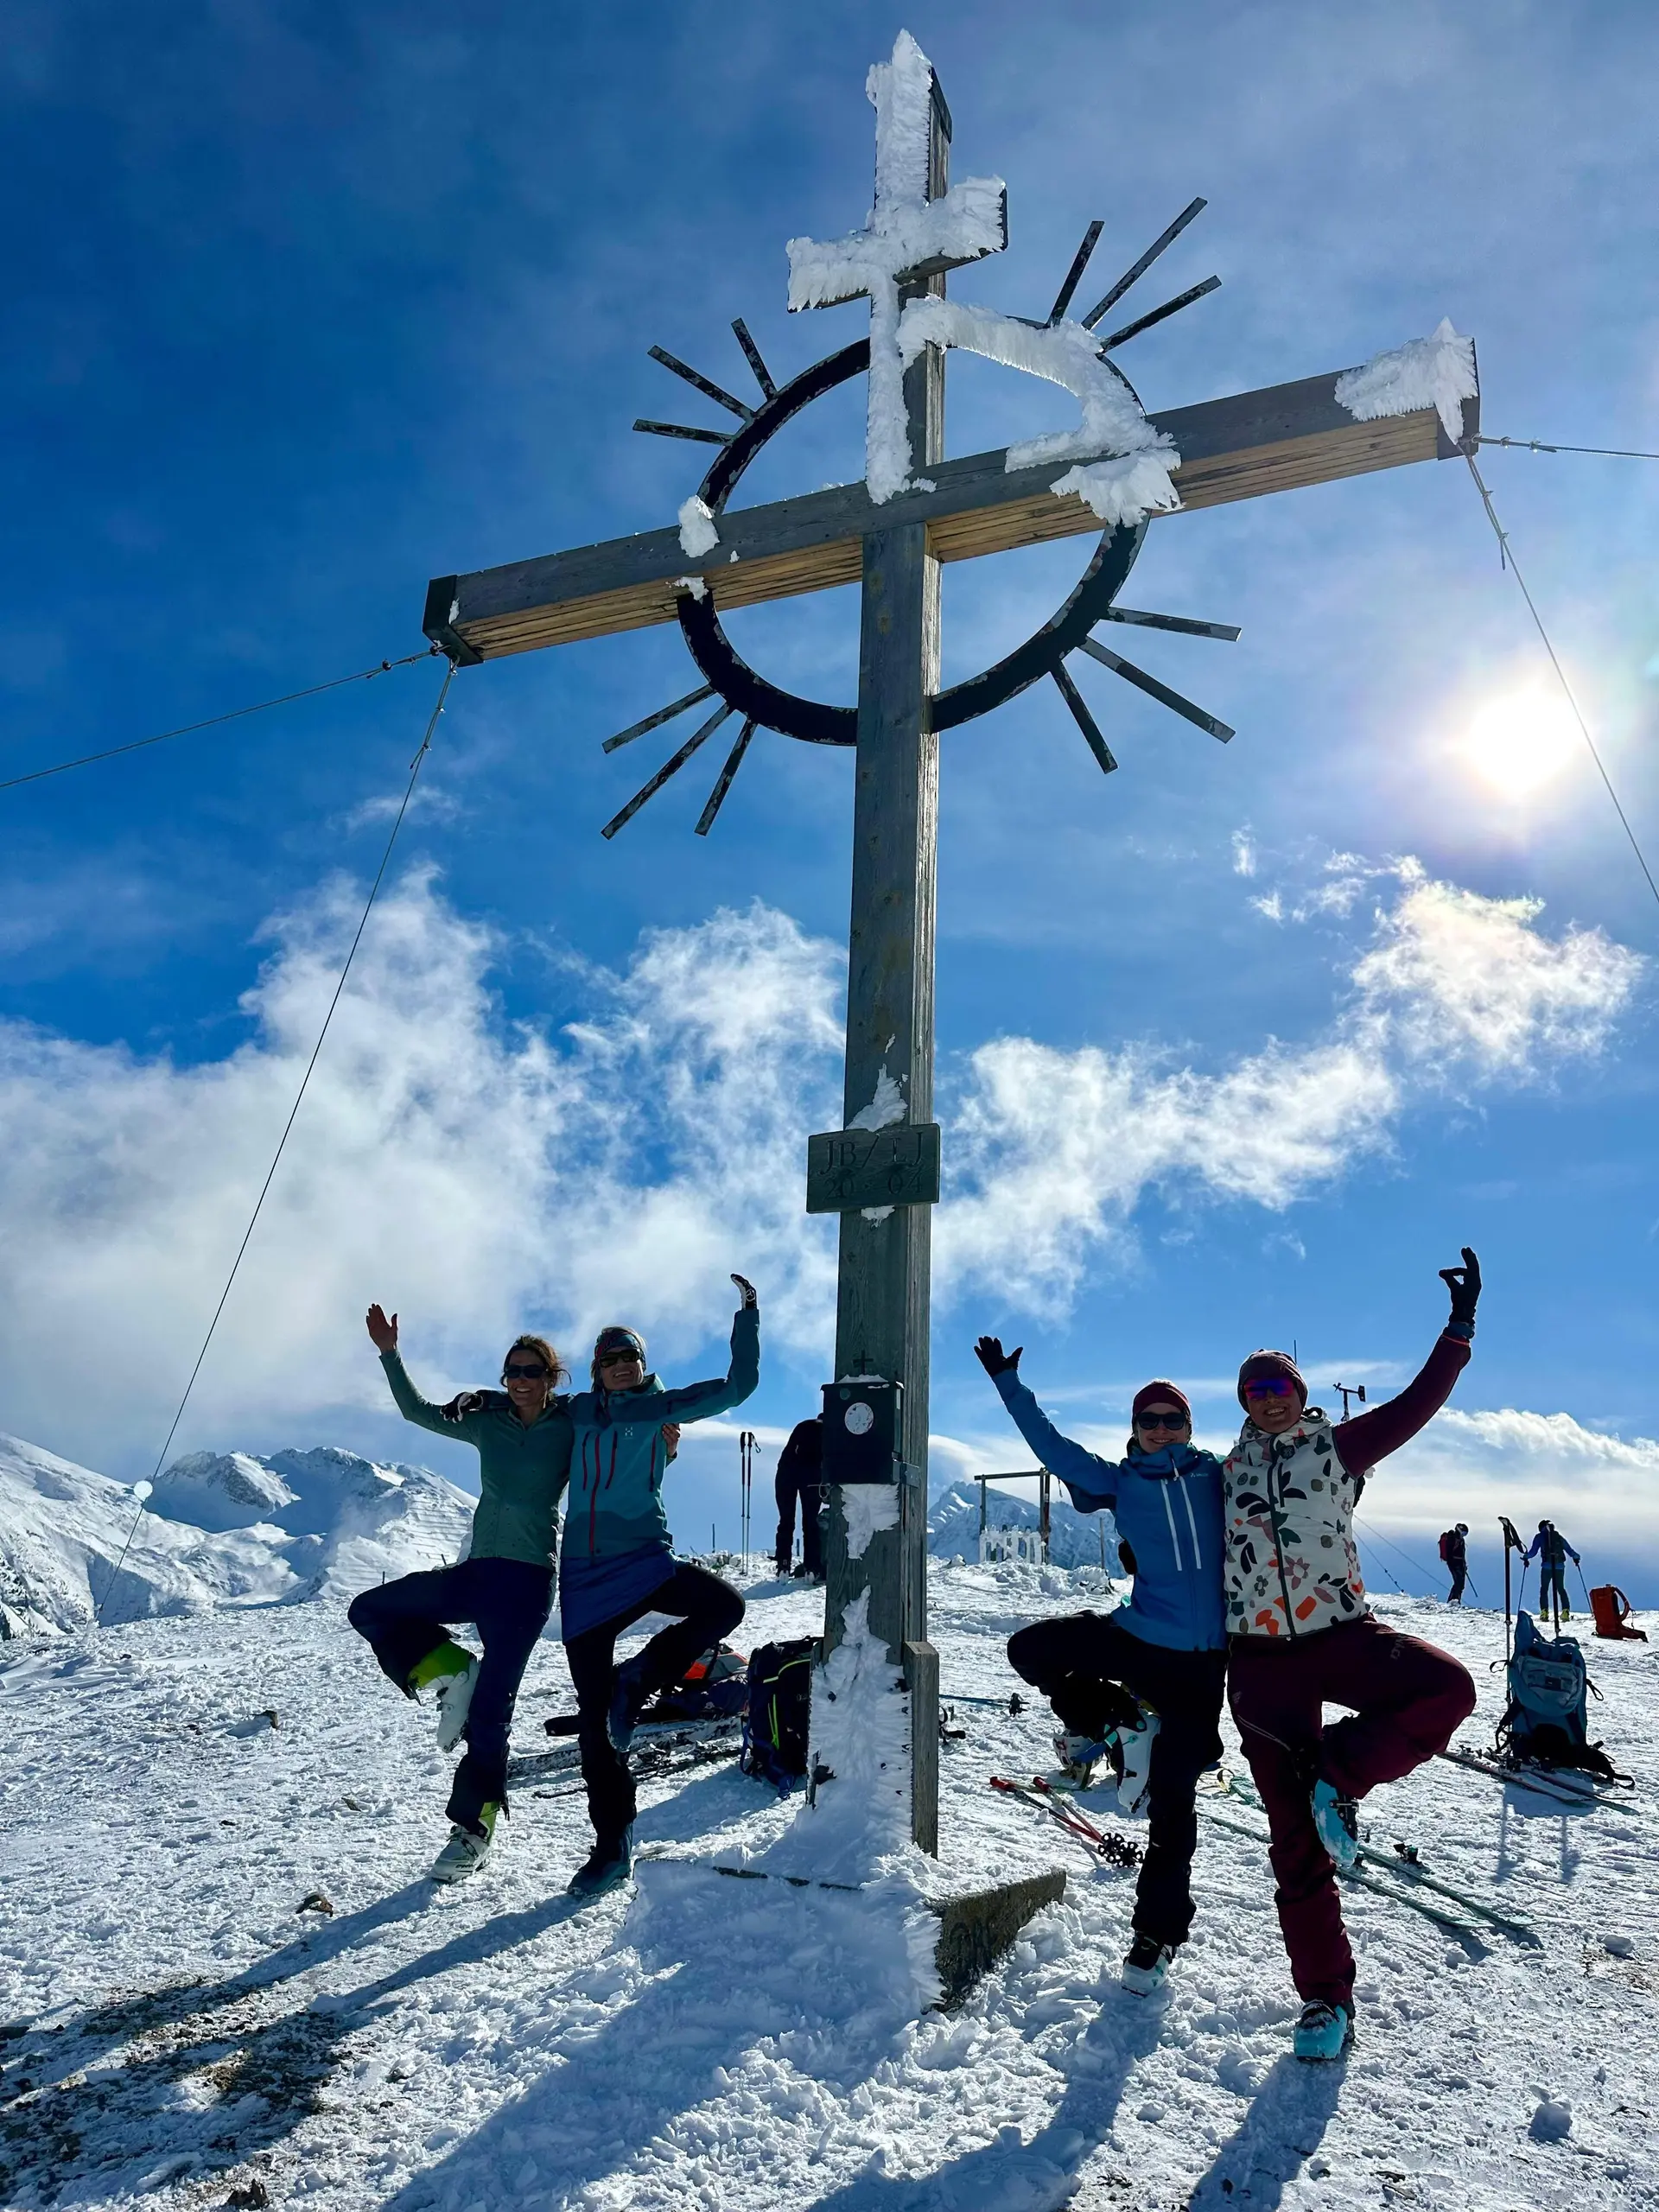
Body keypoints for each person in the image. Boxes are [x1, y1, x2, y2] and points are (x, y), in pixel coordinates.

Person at [1222, 1248, 1483, 2064]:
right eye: (1255, 1390)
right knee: (1293, 1841)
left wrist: (1458, 1330)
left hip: (1340, 1635)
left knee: (1446, 1688)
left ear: (1300, 1394)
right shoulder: (1220, 1475)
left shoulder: (1337, 1449)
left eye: (1279, 1386)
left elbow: (1416, 1405)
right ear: (1244, 1403)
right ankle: (1325, 1999)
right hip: (1259, 1661)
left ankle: (1336, 1775)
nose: (1269, 1398)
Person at [976, 1336, 1226, 1999]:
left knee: (1174, 1803)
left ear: (1190, 1425)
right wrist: (1009, 1386)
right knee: (1031, 1650)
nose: (1161, 1429)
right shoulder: (1121, 1482)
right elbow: (1053, 1449)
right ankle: (1118, 1722)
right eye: (1150, 1420)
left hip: (1201, 1665)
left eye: (1173, 1419)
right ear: (1135, 1428)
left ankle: (1155, 1935)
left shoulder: (1218, 1475)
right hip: (1138, 1637)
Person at [350, 1308, 572, 1884]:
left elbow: (623, 1438)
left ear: (551, 1377)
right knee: (370, 1609)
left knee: (491, 1717)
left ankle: (474, 1828)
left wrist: (666, 1450)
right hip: (478, 1572)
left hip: (528, 1582)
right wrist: (390, 1353)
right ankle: (451, 1669)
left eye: (531, 1371)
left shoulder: (572, 1424)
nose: (520, 1380)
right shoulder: (487, 1422)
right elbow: (417, 1411)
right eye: (512, 1372)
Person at [560, 1274, 760, 1898]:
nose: (622, 1366)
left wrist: (747, 1316)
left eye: (631, 1357)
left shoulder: (659, 1409)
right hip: (584, 1576)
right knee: (597, 1725)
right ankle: (611, 1845)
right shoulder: (576, 1412)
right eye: (611, 1359)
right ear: (597, 1371)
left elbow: (737, 1387)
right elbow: (521, 1406)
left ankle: (639, 1678)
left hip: (646, 1560)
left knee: (723, 1606)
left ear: (643, 1366)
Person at [772, 1414, 826, 1580]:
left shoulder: (803, 1425)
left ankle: (783, 1565)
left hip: (785, 1473)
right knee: (810, 1523)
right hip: (811, 1475)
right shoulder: (829, 1431)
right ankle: (812, 1568)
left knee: (786, 1521)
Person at [1527, 1520, 1580, 1621]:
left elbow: (1533, 1551)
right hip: (1559, 1567)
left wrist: (1526, 1557)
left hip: (1547, 1567)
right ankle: (1565, 1612)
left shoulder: (1539, 1537)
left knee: (1544, 1589)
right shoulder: (1558, 1536)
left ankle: (1544, 1612)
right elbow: (1568, 1549)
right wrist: (1576, 1557)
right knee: (1561, 1589)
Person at [1438, 1522, 1469, 1605]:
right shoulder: (1452, 1539)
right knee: (1458, 1583)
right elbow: (1450, 1553)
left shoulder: (1460, 1540)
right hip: (1454, 1564)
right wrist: (1454, 1562)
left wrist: (1464, 1564)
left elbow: (1462, 1554)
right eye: (1463, 1533)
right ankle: (1452, 1601)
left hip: (1460, 1564)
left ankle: (1456, 1601)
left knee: (1460, 1584)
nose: (1464, 1535)